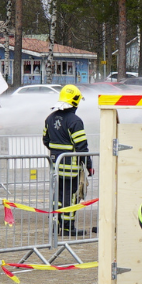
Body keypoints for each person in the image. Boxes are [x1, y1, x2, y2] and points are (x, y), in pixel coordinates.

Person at [43, 84, 92, 237]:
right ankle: (68, 228)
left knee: (56, 196)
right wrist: (89, 165)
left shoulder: (50, 118)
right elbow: (82, 147)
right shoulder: (75, 121)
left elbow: (46, 140)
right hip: (70, 168)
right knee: (70, 197)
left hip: (55, 166)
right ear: (75, 101)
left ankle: (54, 226)